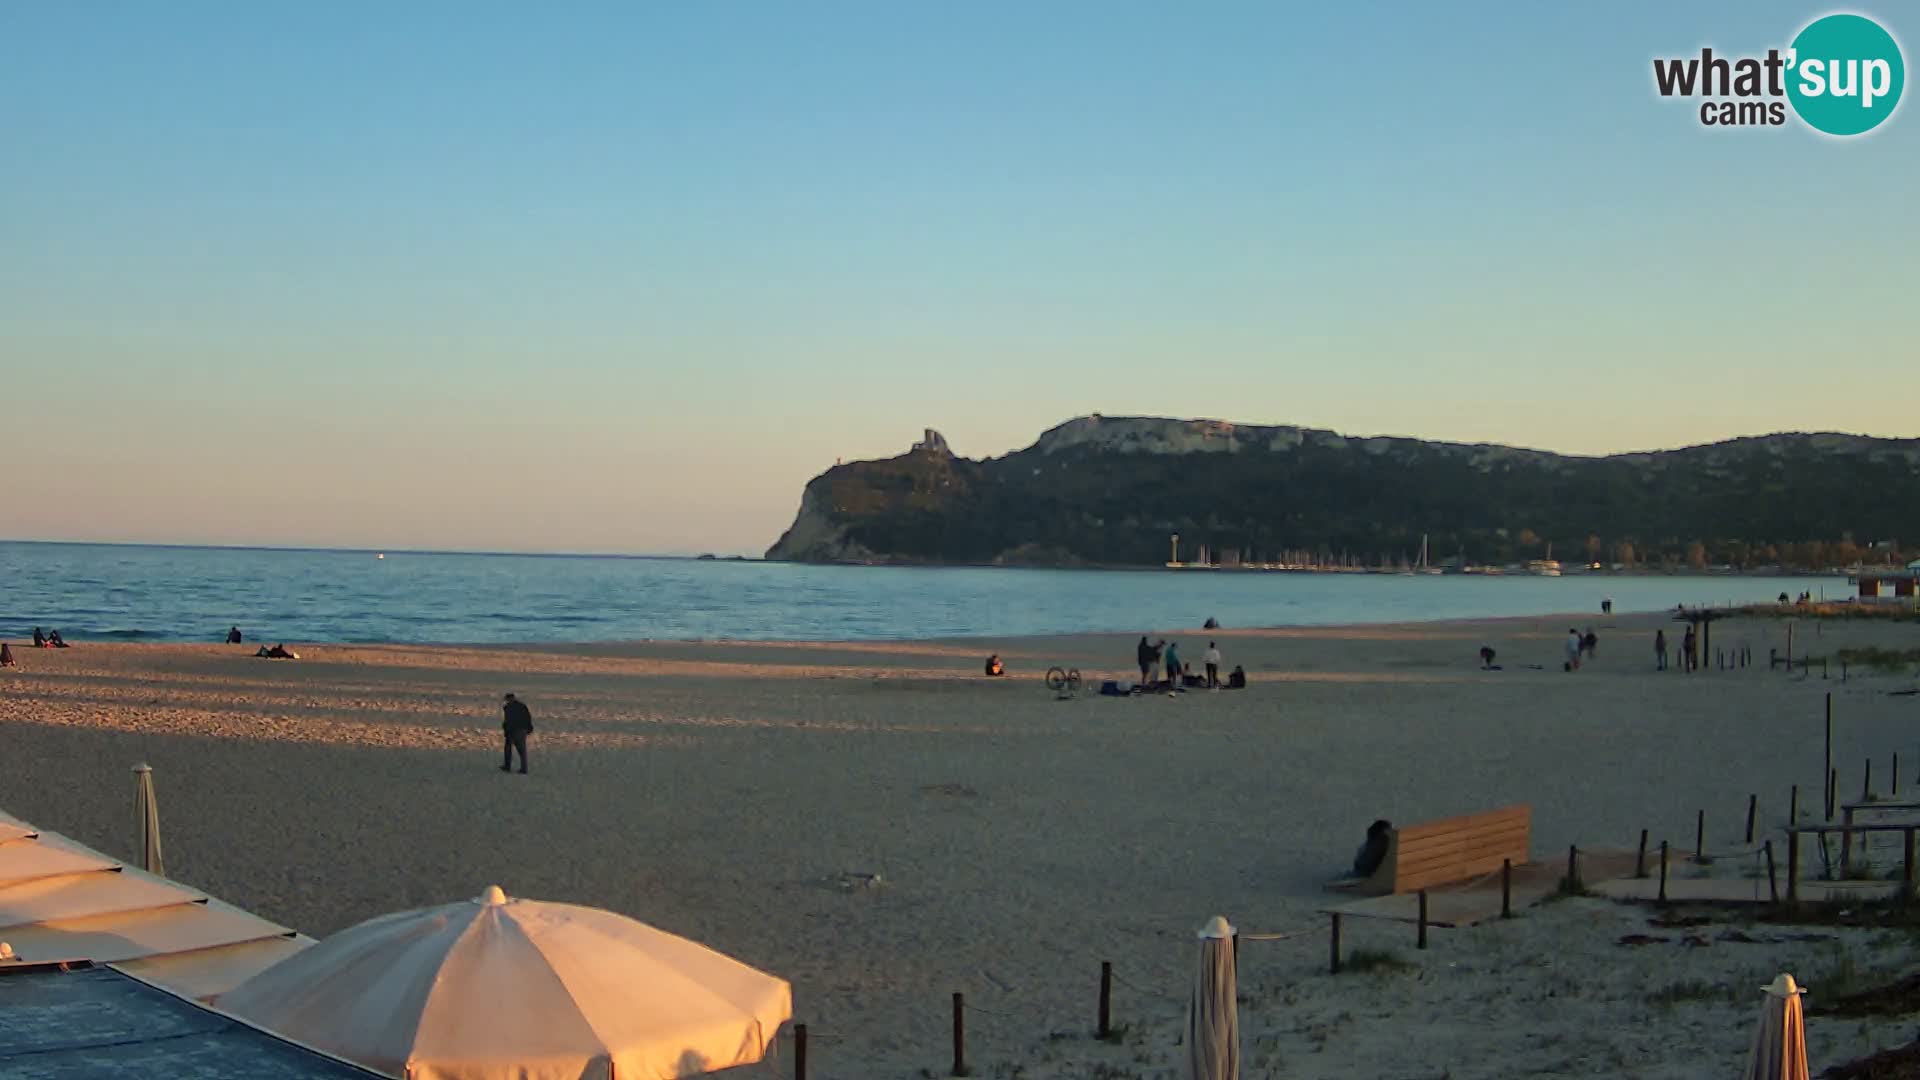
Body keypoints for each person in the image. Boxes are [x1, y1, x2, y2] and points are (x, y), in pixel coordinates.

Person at [501, 692, 533, 774]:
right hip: (519, 729)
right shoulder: (521, 706)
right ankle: (522, 768)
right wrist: (529, 727)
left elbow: (508, 720)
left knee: (515, 749)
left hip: (515, 729)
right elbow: (527, 717)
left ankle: (509, 766)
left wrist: (506, 728)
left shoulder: (508, 707)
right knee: (519, 749)